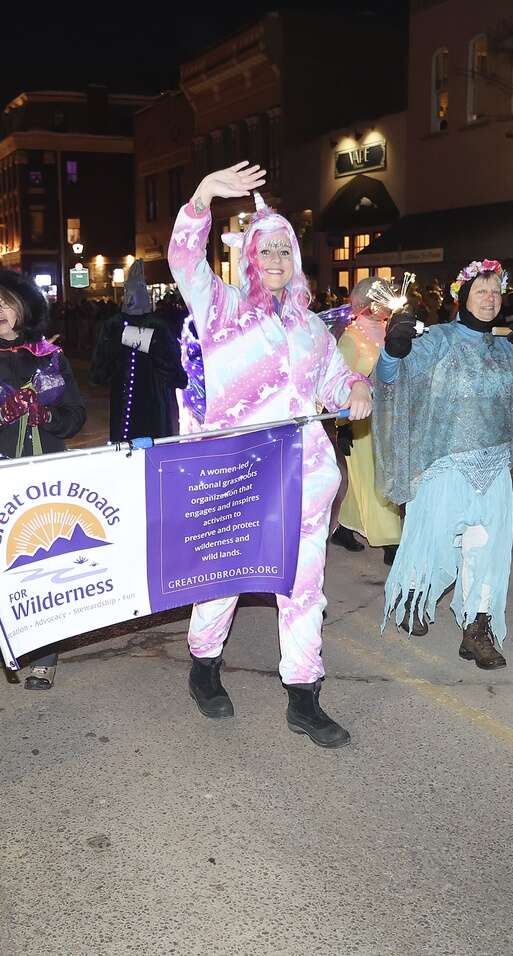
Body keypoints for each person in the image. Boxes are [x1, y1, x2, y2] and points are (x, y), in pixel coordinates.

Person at [168, 161, 373, 749]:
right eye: (265, 250)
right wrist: (204, 193)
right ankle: (204, 667)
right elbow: (184, 258)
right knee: (223, 581)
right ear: (248, 257)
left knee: (304, 587)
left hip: (304, 478)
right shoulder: (222, 309)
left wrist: (354, 387)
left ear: (296, 258)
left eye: (285, 249)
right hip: (237, 475)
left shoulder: (312, 327)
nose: (276, 260)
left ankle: (304, 696)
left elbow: (333, 381)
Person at [374, 259, 513, 668]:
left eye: (496, 292)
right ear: (462, 296)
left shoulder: (505, 348)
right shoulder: (439, 340)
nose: (490, 299)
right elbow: (393, 378)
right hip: (445, 462)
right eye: (481, 291)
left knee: (487, 552)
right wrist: (392, 350)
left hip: (493, 467)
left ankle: (476, 628)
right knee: (431, 542)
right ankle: (415, 598)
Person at [0, 270, 86, 690]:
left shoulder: (52, 357)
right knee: (3, 565)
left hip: (46, 478)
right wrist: (0, 415)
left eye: (4, 302)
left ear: (24, 306)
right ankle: (12, 637)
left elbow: (76, 416)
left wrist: (47, 416)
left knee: (45, 560)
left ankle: (44, 653)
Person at [330, 277, 403, 562]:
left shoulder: (391, 331)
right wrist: (342, 426)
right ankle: (391, 540)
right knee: (376, 477)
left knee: (372, 478)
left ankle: (344, 528)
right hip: (361, 422)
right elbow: (341, 385)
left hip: (390, 418)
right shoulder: (351, 338)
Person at [89, 258, 184, 443]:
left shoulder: (115, 327)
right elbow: (176, 374)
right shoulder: (157, 327)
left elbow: (98, 374)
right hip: (154, 414)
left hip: (130, 412)